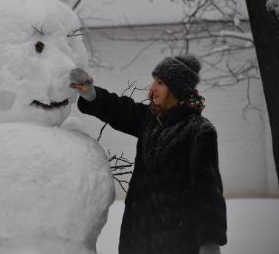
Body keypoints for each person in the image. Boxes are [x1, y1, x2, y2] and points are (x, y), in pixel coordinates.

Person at [69, 54, 227, 254]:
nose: (152, 88)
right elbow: (120, 109)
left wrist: (210, 241)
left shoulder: (199, 130)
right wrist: (92, 94)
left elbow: (207, 190)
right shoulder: (150, 119)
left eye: (160, 82)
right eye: (154, 81)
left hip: (177, 242)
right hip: (137, 238)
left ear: (176, 89)